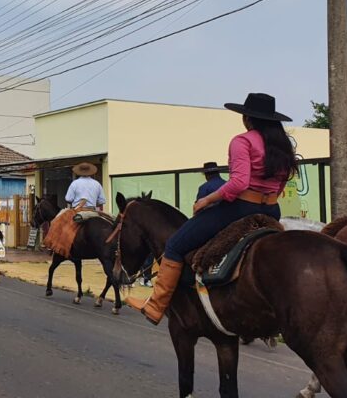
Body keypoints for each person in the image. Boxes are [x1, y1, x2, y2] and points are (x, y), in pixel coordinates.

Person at [127, 93, 297, 325]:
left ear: (247, 118)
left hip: (240, 208)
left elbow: (239, 183)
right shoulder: (282, 145)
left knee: (176, 245)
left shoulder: (242, 141)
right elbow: (281, 183)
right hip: (271, 210)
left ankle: (156, 306)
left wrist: (207, 201)